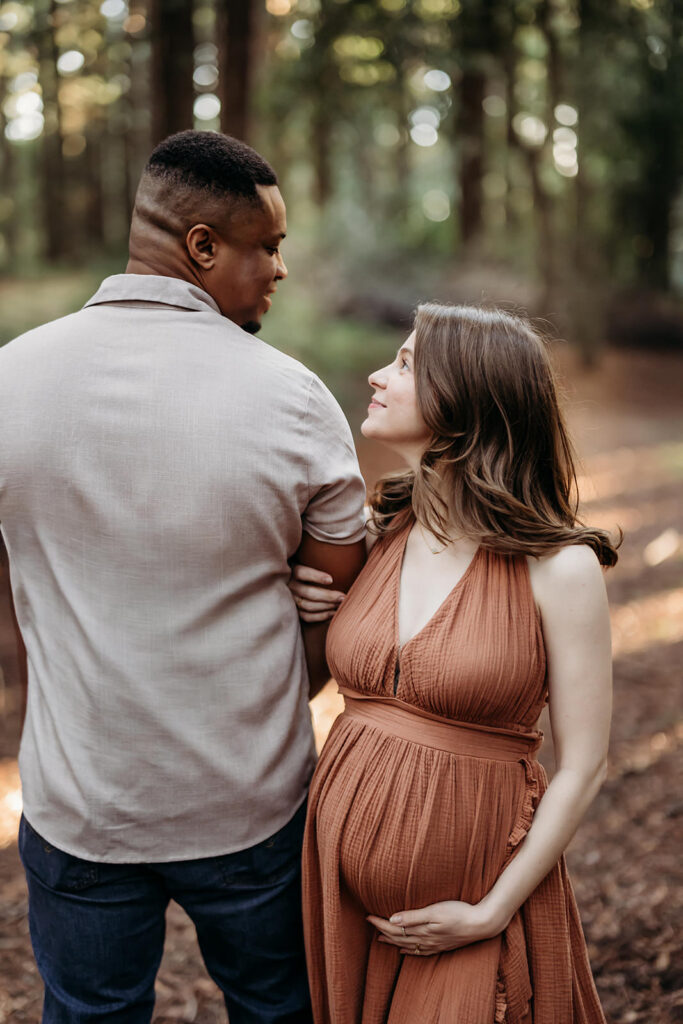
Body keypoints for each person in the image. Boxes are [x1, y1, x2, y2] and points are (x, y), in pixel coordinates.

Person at [0, 130, 367, 1023]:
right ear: (202, 247)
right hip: (250, 801)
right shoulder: (292, 397)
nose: (278, 270)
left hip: (82, 802)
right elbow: (338, 608)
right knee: (278, 1009)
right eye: (268, 247)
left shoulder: (10, 378)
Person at [289, 304, 617, 1023]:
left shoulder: (558, 568)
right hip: (342, 908)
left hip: (472, 908)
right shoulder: (379, 537)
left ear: (466, 397)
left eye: (405, 364)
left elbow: (585, 762)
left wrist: (491, 911)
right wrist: (309, 600)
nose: (378, 374)